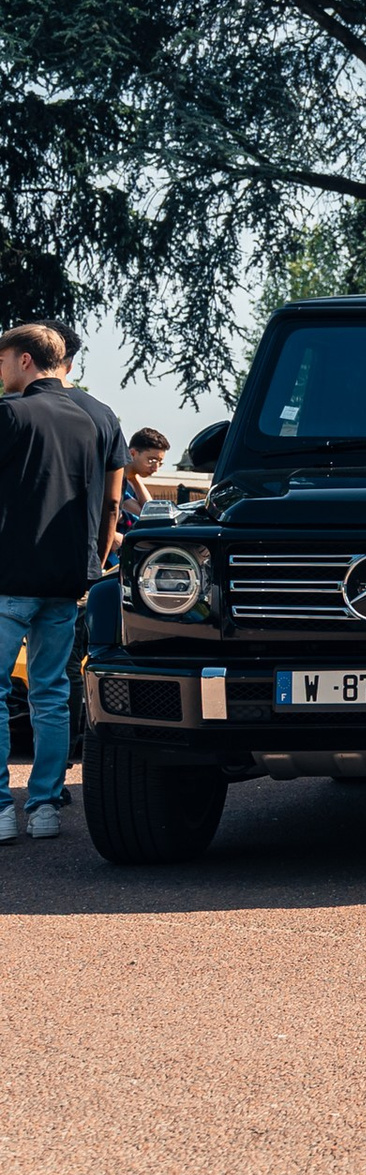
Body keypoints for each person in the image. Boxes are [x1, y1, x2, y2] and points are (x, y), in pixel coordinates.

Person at [0, 325, 106, 844]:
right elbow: (95, 504)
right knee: (50, 694)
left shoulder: (11, 413)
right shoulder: (86, 421)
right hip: (64, 580)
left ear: (23, 360)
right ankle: (43, 807)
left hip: (8, 575)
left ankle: (0, 807)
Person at [53, 325, 130, 567]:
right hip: (79, 560)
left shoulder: (12, 410)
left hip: (15, 566)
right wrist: (97, 561)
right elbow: (112, 502)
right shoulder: (104, 415)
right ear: (70, 364)